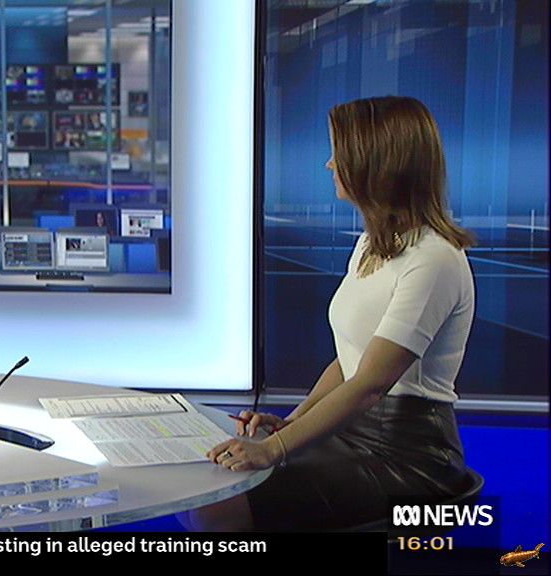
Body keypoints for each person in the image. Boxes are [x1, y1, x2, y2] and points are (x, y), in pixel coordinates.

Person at [190, 96, 476, 531]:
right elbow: (348, 363)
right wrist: (290, 423)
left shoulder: (434, 259)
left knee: (219, 502)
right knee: (206, 480)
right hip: (351, 432)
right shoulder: (373, 245)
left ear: (376, 162)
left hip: (406, 454)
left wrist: (274, 448)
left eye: (339, 153)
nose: (329, 164)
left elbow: (369, 385)